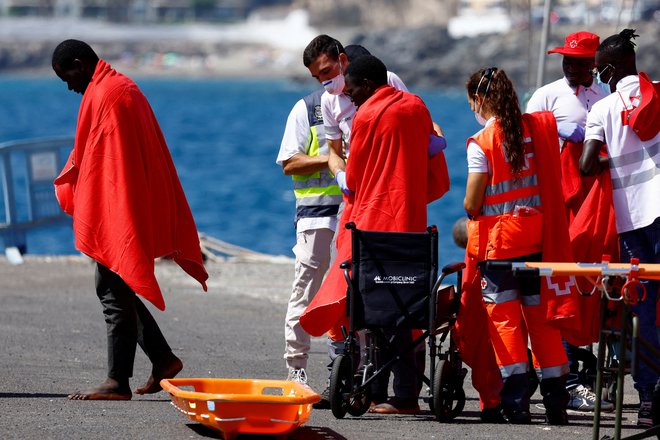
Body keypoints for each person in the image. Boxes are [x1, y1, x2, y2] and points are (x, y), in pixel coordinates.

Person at [51, 39, 208, 400]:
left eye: (67, 77)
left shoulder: (109, 93)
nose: (69, 86)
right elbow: (100, 154)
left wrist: (109, 215)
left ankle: (117, 381)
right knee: (116, 286)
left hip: (121, 209)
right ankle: (163, 359)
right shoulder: (117, 87)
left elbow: (110, 165)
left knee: (110, 287)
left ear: (79, 63)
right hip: (124, 205)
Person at [300, 54, 450, 414]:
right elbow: (433, 154)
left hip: (374, 222)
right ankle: (398, 391)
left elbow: (354, 180)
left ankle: (388, 393)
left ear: (367, 85)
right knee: (407, 306)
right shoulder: (416, 106)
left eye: (352, 92)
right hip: (411, 222)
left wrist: (337, 169)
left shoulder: (367, 115)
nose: (349, 99)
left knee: (374, 306)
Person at [464, 67, 579, 425]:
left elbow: (472, 203)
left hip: (500, 246)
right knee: (542, 325)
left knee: (506, 325)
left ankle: (516, 403)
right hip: (539, 240)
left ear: (480, 100)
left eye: (472, 102)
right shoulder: (536, 130)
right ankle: (557, 404)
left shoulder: (481, 142)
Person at [526, 30, 615, 413]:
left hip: (598, 205)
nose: (570, 65)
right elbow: (525, 140)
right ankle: (567, 377)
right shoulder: (547, 95)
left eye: (578, 61)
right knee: (560, 283)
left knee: (595, 284)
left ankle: (594, 370)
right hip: (558, 204)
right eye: (566, 59)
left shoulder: (607, 97)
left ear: (594, 63)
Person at [580, 29, 660, 428]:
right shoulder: (658, 91)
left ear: (610, 68)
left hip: (633, 221)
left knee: (643, 308)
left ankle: (648, 400)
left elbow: (585, 165)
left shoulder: (603, 109)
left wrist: (613, 163)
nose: (596, 77)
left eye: (598, 71)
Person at [275, 88, 343, 408]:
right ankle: (296, 371)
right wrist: (329, 159)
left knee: (348, 295)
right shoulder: (307, 107)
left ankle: (344, 372)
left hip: (352, 215)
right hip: (315, 215)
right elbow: (289, 162)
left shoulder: (360, 104)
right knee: (305, 291)